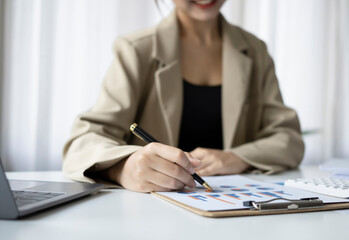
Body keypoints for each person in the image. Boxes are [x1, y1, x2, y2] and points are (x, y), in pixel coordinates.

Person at [63, 0, 305, 192]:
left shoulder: (255, 51)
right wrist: (123, 168)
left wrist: (237, 157)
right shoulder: (136, 50)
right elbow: (84, 142)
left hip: (231, 211)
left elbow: (288, 138)